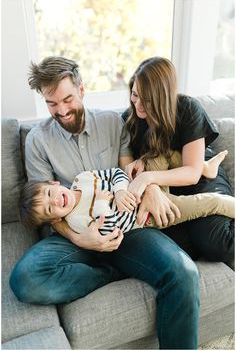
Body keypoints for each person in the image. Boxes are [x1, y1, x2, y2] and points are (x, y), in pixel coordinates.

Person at [10, 56, 200, 350]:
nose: (61, 110)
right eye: (51, 103)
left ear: (82, 90)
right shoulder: (37, 140)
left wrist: (147, 186)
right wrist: (81, 238)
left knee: (184, 273)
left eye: (67, 99)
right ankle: (108, 272)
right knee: (25, 280)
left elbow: (128, 172)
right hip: (73, 234)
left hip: (125, 226)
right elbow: (47, 209)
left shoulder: (112, 122)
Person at [122, 56, 234, 263]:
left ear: (162, 97)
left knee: (219, 244)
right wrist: (151, 187)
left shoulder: (187, 108)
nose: (137, 104)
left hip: (201, 177)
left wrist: (147, 179)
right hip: (167, 190)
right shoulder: (130, 120)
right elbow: (127, 168)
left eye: (146, 99)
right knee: (169, 244)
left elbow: (192, 173)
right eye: (134, 94)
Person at [19, 157, 234, 233]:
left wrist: (121, 190)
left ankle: (204, 168)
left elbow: (115, 174)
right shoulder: (76, 221)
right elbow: (112, 228)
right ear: (55, 219)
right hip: (149, 215)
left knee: (159, 153)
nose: (55, 200)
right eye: (50, 208)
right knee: (210, 202)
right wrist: (104, 204)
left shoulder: (82, 178)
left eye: (49, 193)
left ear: (54, 183)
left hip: (140, 187)